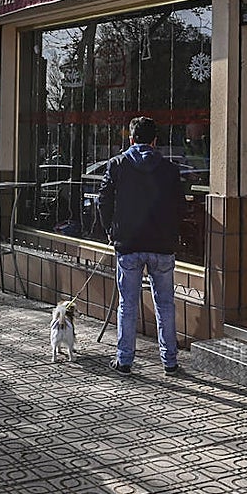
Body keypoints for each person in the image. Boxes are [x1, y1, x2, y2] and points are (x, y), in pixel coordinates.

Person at [97, 116, 184, 376]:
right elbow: (180, 206)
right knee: (166, 304)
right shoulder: (169, 169)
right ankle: (170, 361)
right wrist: (173, 234)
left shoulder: (117, 165)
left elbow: (103, 201)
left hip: (129, 245)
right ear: (155, 141)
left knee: (128, 304)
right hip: (162, 246)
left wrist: (110, 232)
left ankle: (124, 361)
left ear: (131, 139)